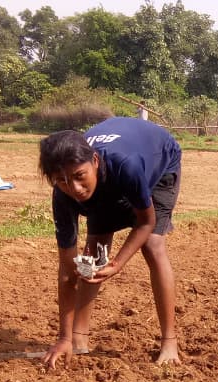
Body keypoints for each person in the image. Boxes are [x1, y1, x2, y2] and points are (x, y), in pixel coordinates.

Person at [38, 116, 182, 368]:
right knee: (94, 250)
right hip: (111, 173)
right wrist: (63, 337)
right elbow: (67, 269)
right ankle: (78, 339)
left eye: (79, 175)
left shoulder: (127, 166)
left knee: (152, 244)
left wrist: (117, 264)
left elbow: (145, 222)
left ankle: (169, 340)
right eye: (61, 181)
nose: (75, 188)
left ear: (94, 161)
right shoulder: (63, 195)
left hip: (160, 161)